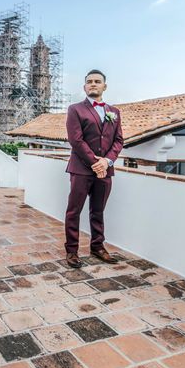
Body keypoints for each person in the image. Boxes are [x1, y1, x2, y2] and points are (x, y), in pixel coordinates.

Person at [64, 69, 124, 268]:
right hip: (81, 169)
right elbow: (76, 140)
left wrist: (106, 162)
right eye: (89, 81)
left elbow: (118, 141)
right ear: (84, 87)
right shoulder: (75, 109)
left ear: (104, 86)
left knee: (98, 211)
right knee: (74, 211)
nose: (93, 84)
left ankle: (97, 246)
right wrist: (95, 162)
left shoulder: (114, 113)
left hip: (105, 170)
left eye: (97, 81)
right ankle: (72, 251)